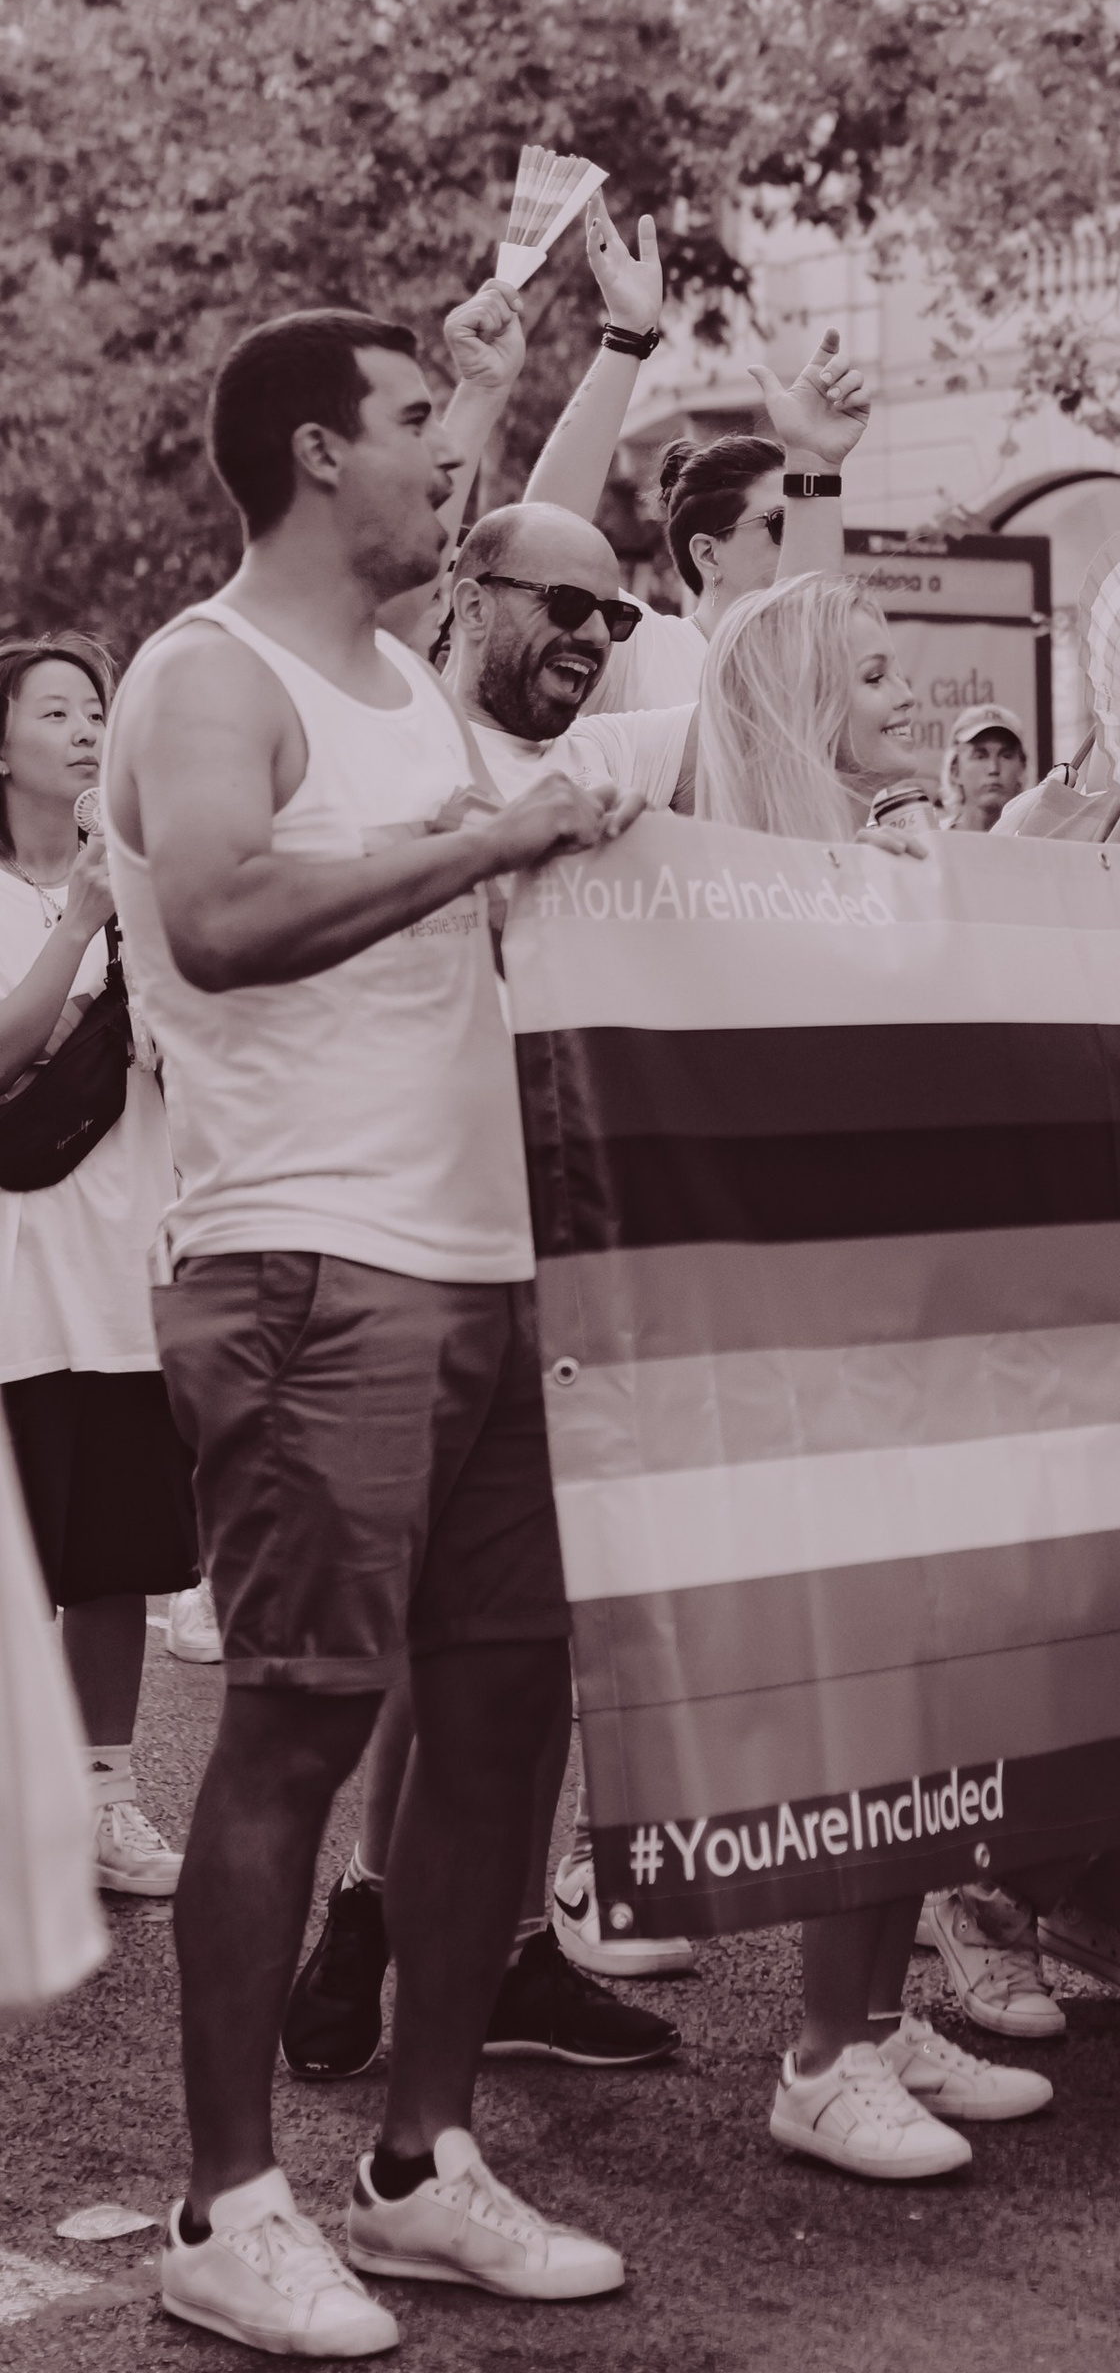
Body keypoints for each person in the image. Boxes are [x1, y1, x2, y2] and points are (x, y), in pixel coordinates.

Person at [105, 307, 644, 2359]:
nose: (450, 458)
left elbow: (471, 889)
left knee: (497, 1715)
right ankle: (222, 2204)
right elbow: (228, 925)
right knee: (299, 1725)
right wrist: (497, 841)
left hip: (487, 1264)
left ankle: (420, 2167)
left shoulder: (412, 690)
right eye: (419, 424)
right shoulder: (200, 673)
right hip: (310, 1262)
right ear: (321, 454)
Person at [669, 577, 1120, 2170]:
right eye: (873, 676)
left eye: (906, 668)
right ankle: (820, 2053)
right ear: (793, 712)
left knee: (937, 1702)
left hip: (940, 1336)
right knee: (874, 1705)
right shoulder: (745, 881)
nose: (911, 698)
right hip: (831, 1348)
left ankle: (881, 2015)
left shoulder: (899, 854)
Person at [281, 504, 686, 2085]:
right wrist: (601, 359)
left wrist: (831, 470)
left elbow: (791, 678)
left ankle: (509, 1952)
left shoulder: (623, 760)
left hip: (583, 1252)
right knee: (418, 1650)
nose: (591, 637)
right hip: (414, 1246)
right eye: (563, 609)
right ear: (469, 595)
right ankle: (375, 1910)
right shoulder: (398, 733)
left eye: (617, 619)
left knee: (540, 1646)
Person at [0, 635, 195, 1907]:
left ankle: (106, 1794)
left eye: (97, 709)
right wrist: (78, 920)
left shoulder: (157, 885)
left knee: (118, 1559)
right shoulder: (50, 896)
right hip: (15, 1288)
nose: (84, 729)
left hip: (126, 1278)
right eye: (55, 709)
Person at [519, 202, 872, 706]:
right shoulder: (643, 650)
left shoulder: (819, 671)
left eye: (810, 512)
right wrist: (627, 336)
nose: (805, 537)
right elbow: (541, 542)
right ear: (707, 552)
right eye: (780, 522)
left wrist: (814, 463)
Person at [943, 709, 1030, 832]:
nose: (993, 769)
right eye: (980, 756)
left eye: (1006, 756)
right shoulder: (933, 842)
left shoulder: (1038, 842)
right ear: (955, 771)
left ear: (1022, 768)